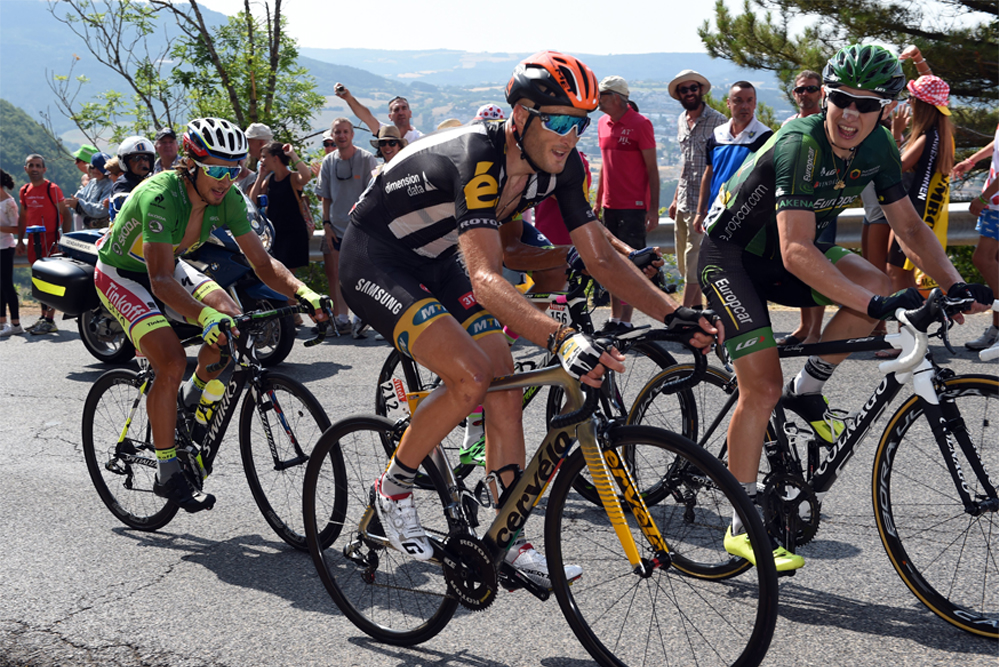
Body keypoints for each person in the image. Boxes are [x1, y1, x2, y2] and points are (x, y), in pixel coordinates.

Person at [339, 51, 718, 587]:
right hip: (375, 258)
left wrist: (676, 313)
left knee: (506, 386)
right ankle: (394, 487)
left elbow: (601, 258)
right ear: (520, 116)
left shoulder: (556, 167)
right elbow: (486, 279)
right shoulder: (479, 156)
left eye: (580, 123)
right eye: (558, 120)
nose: (570, 135)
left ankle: (509, 535)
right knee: (471, 376)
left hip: (438, 256)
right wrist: (562, 339)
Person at [697, 44, 991, 572]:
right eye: (840, 99)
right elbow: (797, 251)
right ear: (825, 96)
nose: (851, 114)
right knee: (761, 387)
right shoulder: (799, 143)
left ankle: (808, 389)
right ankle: (742, 520)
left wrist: (952, 285)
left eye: (867, 104)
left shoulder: (877, 145)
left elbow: (908, 226)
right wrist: (878, 303)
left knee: (877, 281)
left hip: (788, 256)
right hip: (734, 258)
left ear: (885, 110)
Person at [94, 117, 330, 512]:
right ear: (191, 162)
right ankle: (167, 470)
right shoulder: (161, 195)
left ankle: (192, 397)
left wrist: (304, 292)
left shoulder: (230, 198)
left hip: (169, 265)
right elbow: (160, 280)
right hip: (123, 273)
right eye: (216, 170)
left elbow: (263, 262)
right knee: (169, 360)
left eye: (234, 169)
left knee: (231, 319)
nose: (226, 179)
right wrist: (204, 318)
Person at [593, 75, 660, 334]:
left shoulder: (640, 124)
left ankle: (626, 320)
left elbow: (652, 170)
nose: (597, 101)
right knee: (611, 262)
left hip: (633, 206)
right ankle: (614, 318)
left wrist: (652, 209)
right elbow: (604, 166)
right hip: (610, 204)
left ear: (618, 98)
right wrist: (598, 200)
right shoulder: (601, 123)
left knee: (631, 265)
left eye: (602, 96)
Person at [886, 67, 955, 301]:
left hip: (908, 214)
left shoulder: (926, 138)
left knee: (895, 273)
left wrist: (896, 134)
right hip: (921, 212)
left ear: (921, 104)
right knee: (902, 273)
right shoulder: (942, 135)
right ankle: (917, 325)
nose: (909, 102)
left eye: (911, 98)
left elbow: (894, 169)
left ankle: (911, 327)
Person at [667, 69, 727, 308]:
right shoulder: (682, 120)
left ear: (701, 91)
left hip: (703, 205)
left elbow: (719, 167)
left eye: (694, 88)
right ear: (679, 94)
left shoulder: (719, 121)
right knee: (684, 264)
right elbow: (686, 162)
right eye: (685, 89)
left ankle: (682, 318)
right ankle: (698, 311)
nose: (690, 93)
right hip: (683, 201)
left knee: (693, 266)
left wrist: (708, 207)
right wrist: (674, 199)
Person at [778, 71, 827, 346]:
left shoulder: (825, 125)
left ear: (821, 92)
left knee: (815, 267)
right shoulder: (788, 124)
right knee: (798, 267)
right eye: (800, 90)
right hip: (794, 204)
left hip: (819, 205)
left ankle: (816, 331)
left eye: (810, 89)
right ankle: (803, 327)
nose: (804, 94)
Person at [317, 117, 378, 335]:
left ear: (352, 134)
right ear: (332, 135)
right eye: (337, 132)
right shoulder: (328, 162)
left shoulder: (366, 158)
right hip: (335, 227)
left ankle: (360, 316)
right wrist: (326, 223)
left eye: (345, 131)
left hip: (361, 228)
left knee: (361, 274)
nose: (341, 135)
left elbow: (373, 194)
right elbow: (325, 196)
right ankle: (341, 318)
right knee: (337, 275)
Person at [693, 81, 772, 235]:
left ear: (755, 103)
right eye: (738, 100)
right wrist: (699, 212)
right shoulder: (717, 134)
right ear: (728, 103)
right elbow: (709, 174)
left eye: (749, 100)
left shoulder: (765, 136)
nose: (745, 106)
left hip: (747, 218)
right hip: (715, 214)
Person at [249, 141, 314, 322]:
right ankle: (292, 313)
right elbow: (252, 200)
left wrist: (293, 155)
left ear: (275, 158)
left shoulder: (292, 178)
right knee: (279, 273)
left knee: (288, 273)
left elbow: (306, 176)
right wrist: (260, 176)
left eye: (264, 157)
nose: (261, 160)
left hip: (293, 232)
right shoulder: (269, 180)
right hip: (276, 233)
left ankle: (292, 314)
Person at [954, 127, 999, 350]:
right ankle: (996, 329)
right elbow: (997, 144)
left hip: (996, 203)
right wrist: (971, 161)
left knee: (983, 259)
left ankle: (998, 330)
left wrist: (983, 197)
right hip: (995, 202)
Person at [16, 154, 71, 334]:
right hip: (33, 240)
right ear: (25, 168)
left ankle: (50, 319)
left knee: (49, 279)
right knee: (38, 278)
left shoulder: (52, 188)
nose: (35, 169)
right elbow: (23, 218)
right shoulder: (24, 190)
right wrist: (20, 241)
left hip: (51, 239)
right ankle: (43, 317)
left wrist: (65, 240)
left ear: (44, 169)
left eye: (38, 166)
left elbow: (67, 214)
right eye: (31, 165)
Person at [334, 84, 423, 144]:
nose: (400, 112)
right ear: (390, 117)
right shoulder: (385, 133)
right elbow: (367, 117)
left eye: (404, 108)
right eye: (396, 110)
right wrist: (349, 98)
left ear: (410, 113)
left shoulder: (421, 139)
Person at [108, 135, 154, 220]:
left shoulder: (155, 181)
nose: (142, 162)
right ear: (124, 162)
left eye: (146, 158)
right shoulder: (122, 185)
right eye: (136, 158)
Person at [0, 169, 23, 337]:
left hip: (6, 246)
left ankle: (16, 324)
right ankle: (2, 323)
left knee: (7, 284)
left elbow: (16, 228)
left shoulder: (9, 202)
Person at [65, 152, 113, 228]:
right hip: (88, 228)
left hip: (103, 231)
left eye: (100, 168)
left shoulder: (110, 185)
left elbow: (102, 210)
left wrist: (79, 204)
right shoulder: (92, 182)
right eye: (93, 167)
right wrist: (75, 202)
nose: (95, 171)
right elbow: (79, 197)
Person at [237, 122, 274, 194]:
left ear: (260, 143)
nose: (246, 146)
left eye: (248, 142)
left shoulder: (275, 162)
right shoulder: (260, 163)